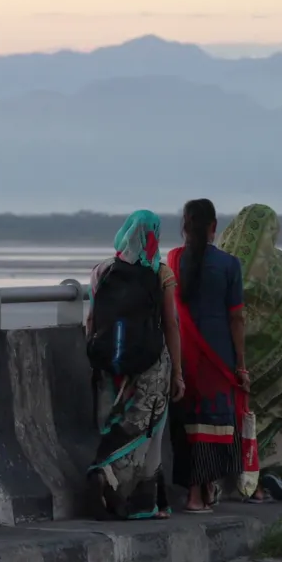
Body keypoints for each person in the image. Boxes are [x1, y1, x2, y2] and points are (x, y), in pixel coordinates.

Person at [85, 210, 184, 520]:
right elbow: (170, 325)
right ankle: (146, 501)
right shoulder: (161, 273)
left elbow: (91, 321)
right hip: (151, 364)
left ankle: (110, 481)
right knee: (150, 430)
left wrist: (98, 357)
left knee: (115, 424)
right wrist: (178, 373)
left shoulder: (101, 271)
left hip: (108, 363)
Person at [217, 203, 282, 503]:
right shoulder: (281, 265)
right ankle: (266, 472)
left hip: (235, 355)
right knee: (274, 414)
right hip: (278, 360)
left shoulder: (225, 261)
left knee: (241, 415)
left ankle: (241, 479)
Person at [168, 199, 245, 514]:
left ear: (184, 226)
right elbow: (237, 318)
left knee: (187, 423)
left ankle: (194, 494)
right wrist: (241, 363)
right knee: (213, 423)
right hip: (218, 355)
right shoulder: (229, 264)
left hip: (183, 354)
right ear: (214, 227)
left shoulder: (173, 259)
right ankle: (203, 493)